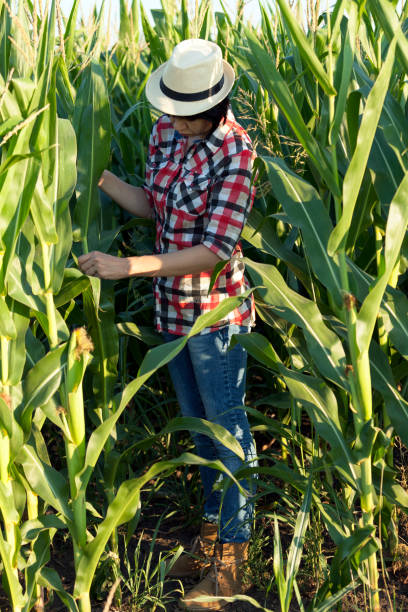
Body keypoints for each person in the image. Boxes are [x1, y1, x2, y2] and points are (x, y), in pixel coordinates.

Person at [78, 38, 257, 611]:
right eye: (171, 113)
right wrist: (94, 175)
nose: (175, 125)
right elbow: (153, 204)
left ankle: (235, 562)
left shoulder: (236, 151)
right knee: (201, 433)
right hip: (171, 313)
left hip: (214, 316)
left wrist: (127, 266)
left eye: (186, 117)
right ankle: (208, 542)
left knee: (229, 434)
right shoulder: (165, 132)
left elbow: (214, 251)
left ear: (215, 106)